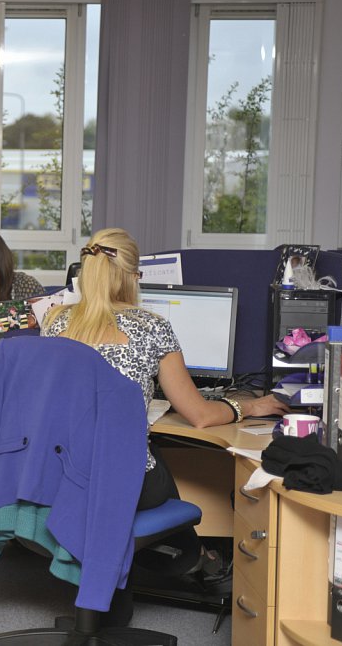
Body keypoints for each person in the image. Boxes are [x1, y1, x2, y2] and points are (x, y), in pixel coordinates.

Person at [41, 227, 289, 578]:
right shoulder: (151, 327)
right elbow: (200, 415)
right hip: (120, 482)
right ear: (130, 276)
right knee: (149, 458)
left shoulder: (54, 322)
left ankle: (187, 559)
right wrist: (249, 406)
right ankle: (192, 560)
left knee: (147, 453)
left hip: (60, 474)